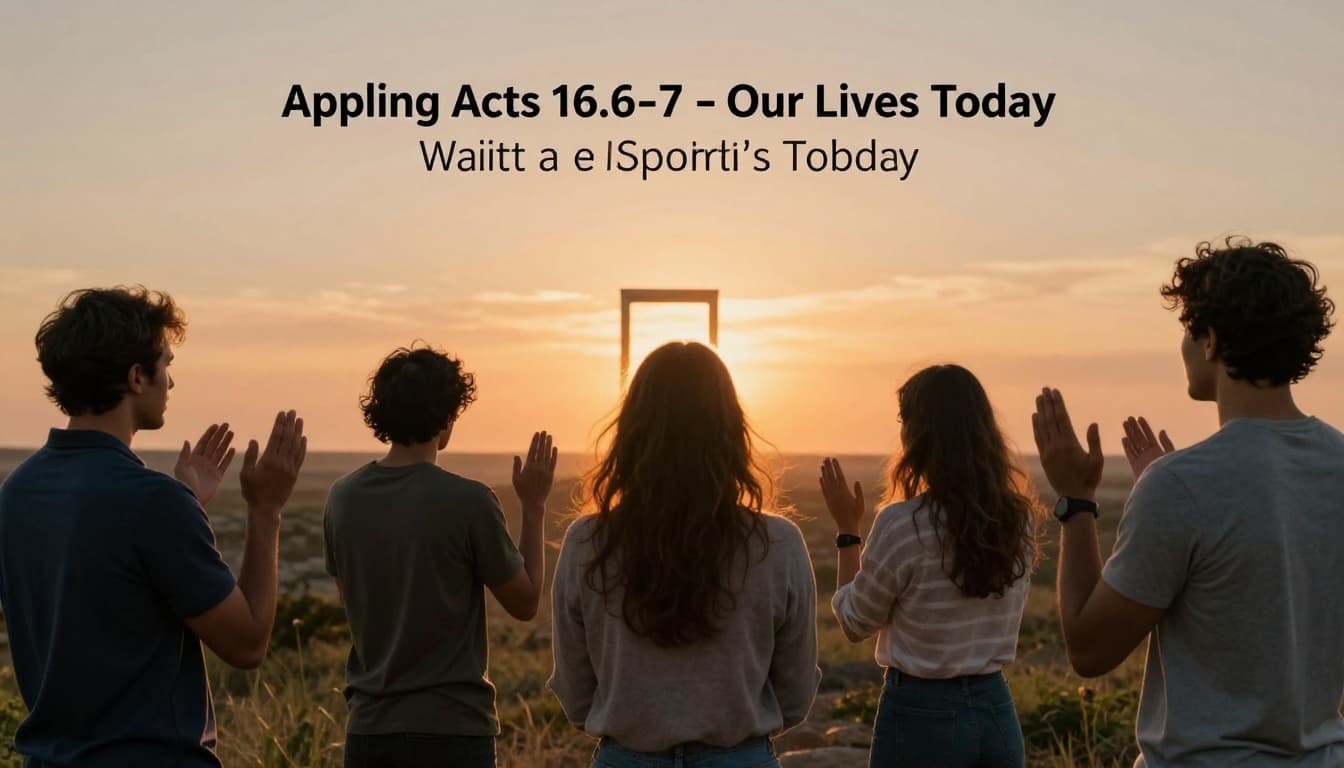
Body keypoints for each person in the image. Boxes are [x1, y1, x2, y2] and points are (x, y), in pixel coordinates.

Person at [1031, 237, 1344, 766]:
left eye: (1187, 329)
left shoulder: (1181, 485)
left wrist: (1076, 501)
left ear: (1212, 341)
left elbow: (1089, 650)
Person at [0, 286, 307, 766]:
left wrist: (185, 503)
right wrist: (265, 509)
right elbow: (247, 644)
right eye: (166, 365)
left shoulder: (16, 491)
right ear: (137, 376)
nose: (171, 382)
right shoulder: (151, 503)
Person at [549, 341, 820, 768]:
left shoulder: (588, 541)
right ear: (731, 429)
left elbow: (574, 684)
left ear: (632, 430)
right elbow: (796, 688)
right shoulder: (778, 543)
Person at [322, 344, 554, 768]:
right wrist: (534, 508)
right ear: (448, 417)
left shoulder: (342, 498)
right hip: (452, 732)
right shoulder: (469, 501)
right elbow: (525, 602)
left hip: (369, 731)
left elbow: (353, 600)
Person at [824, 364, 1041, 768]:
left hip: (923, 716)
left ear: (921, 435)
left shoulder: (903, 523)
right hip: (996, 710)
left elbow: (855, 623)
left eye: (905, 420)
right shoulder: (1018, 519)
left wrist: (847, 533)